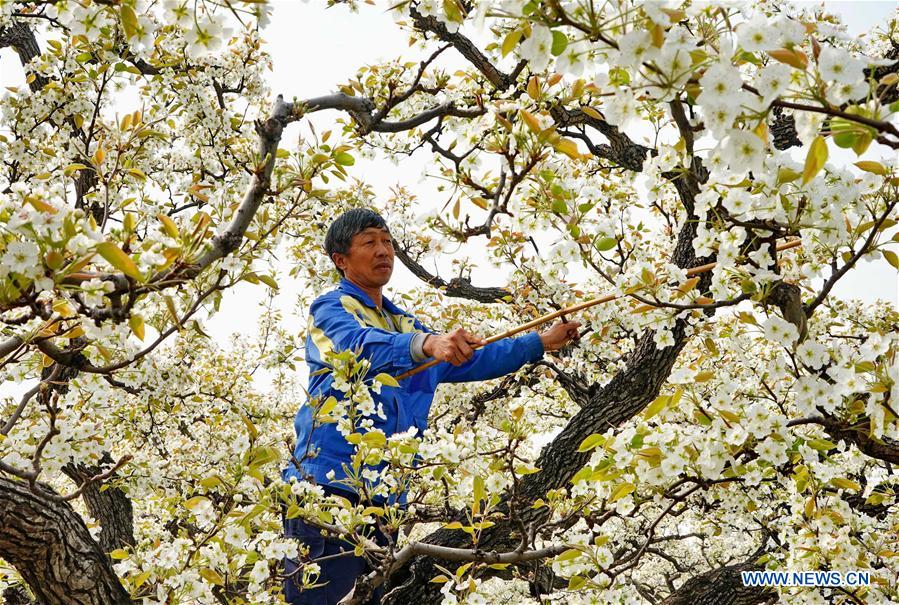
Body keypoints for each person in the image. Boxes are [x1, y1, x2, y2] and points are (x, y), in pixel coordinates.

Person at [281, 208, 580, 604]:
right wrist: (427, 345)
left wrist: (539, 341)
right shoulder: (331, 309)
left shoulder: (403, 322)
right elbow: (357, 344)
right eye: (369, 242)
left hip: (386, 499)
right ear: (341, 260)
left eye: (387, 241)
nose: (383, 250)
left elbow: (474, 360)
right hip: (329, 482)